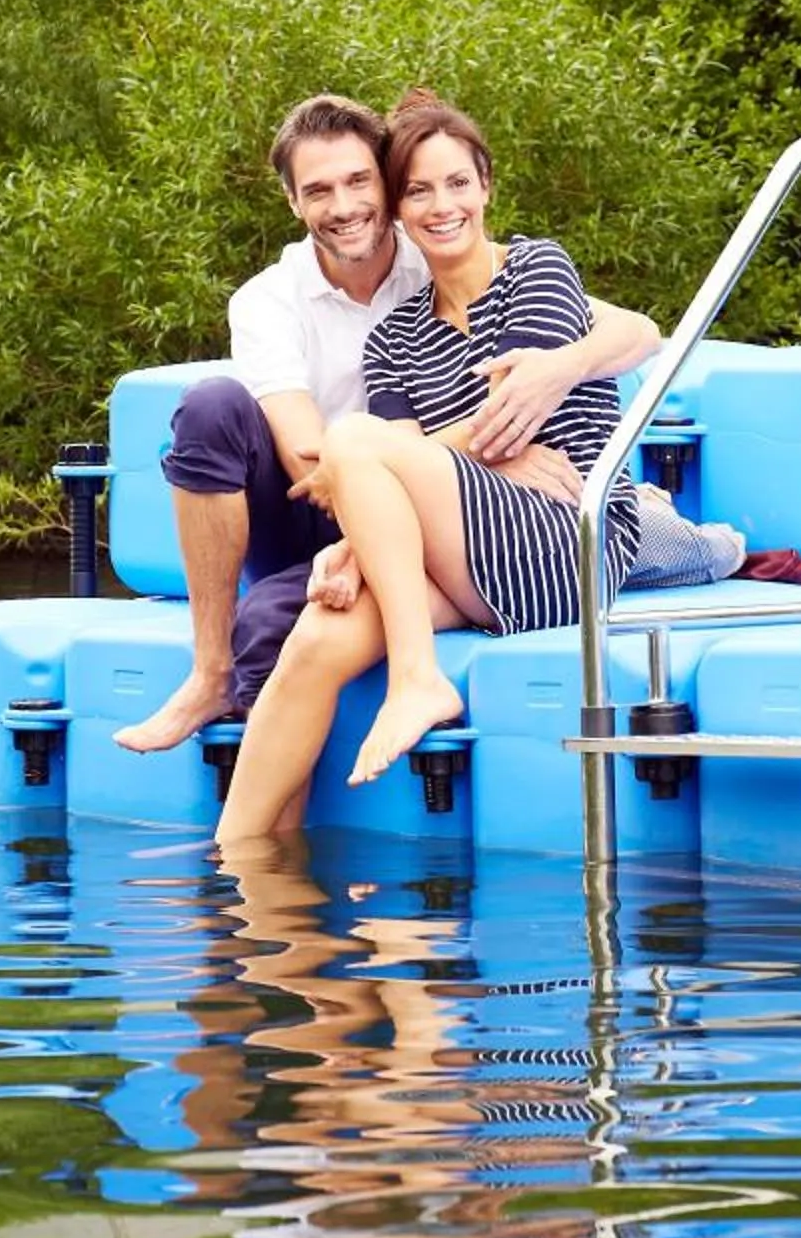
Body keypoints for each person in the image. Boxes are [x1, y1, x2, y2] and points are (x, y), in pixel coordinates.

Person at [115, 94, 747, 758]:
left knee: (276, 621)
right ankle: (210, 673)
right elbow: (320, 470)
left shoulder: (437, 247)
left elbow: (636, 330)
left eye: (359, 182)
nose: (344, 205)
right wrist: (486, 451)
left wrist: (558, 368)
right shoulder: (268, 301)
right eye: (319, 190)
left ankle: (683, 537)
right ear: (292, 203)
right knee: (211, 404)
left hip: (434, 516)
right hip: (326, 506)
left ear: (386, 192)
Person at [215, 94, 649, 840]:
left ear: (486, 188)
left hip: (566, 546)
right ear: (398, 208)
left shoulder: (539, 268)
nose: (441, 205)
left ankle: (418, 676)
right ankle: (246, 870)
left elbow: (509, 422)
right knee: (320, 631)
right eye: (418, 190)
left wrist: (555, 373)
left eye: (456, 183)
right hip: (471, 555)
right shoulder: (394, 339)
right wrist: (356, 543)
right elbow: (392, 478)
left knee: (351, 439)